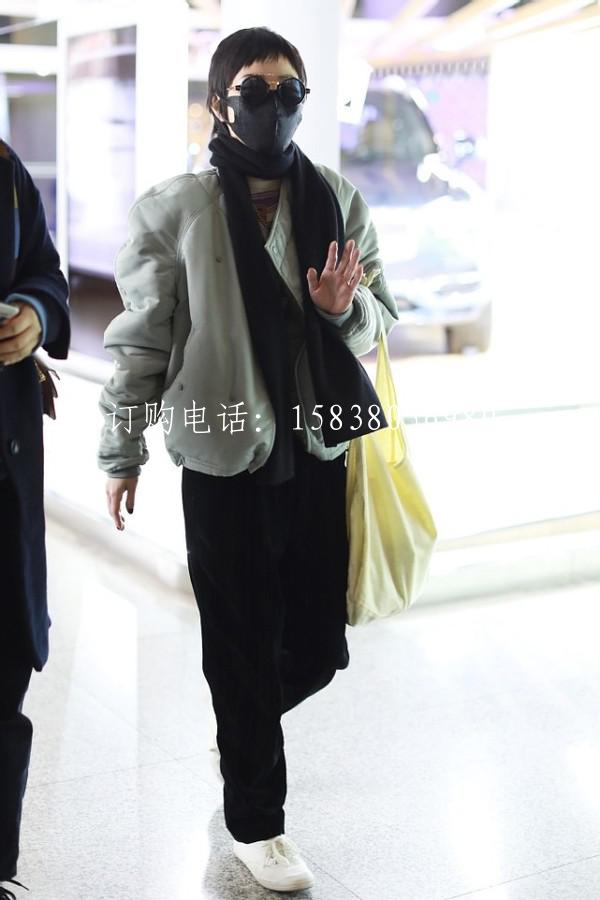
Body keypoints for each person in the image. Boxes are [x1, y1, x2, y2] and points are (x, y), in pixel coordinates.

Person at [98, 27, 398, 893]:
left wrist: (342, 310)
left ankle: (241, 728)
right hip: (221, 455)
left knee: (317, 646)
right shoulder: (175, 210)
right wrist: (121, 449)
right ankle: (257, 821)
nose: (274, 106)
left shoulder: (337, 200)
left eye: (288, 91)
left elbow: (380, 318)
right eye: (254, 91)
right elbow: (142, 343)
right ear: (218, 106)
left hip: (316, 449)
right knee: (238, 638)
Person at [0, 140, 70, 900]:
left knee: (5, 673)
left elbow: (44, 271)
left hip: (5, 475)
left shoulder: (4, 169)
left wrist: (34, 316)